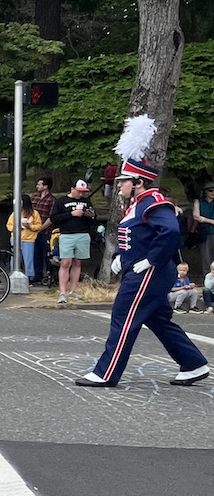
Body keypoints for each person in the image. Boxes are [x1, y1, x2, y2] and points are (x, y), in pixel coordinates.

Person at [76, 115, 209, 387]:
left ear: (138, 182)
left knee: (123, 318)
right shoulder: (138, 204)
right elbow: (136, 238)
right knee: (158, 320)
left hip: (149, 272)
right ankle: (194, 363)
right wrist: (118, 258)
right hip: (141, 269)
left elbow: (170, 233)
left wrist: (151, 259)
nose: (119, 186)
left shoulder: (154, 202)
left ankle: (106, 373)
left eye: (123, 181)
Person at [50, 179, 96, 304]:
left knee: (78, 262)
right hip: (67, 234)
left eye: (83, 192)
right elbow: (54, 218)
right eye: (79, 192)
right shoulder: (62, 201)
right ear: (72, 189)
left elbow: (92, 219)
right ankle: (62, 292)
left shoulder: (86, 201)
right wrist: (71, 214)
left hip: (82, 233)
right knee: (65, 262)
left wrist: (91, 216)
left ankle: (73, 289)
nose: (81, 195)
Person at [6, 195, 43, 281]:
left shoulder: (34, 213)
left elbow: (39, 226)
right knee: (14, 258)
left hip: (29, 239)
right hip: (16, 239)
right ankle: (13, 275)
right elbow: (9, 225)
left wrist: (30, 226)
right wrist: (16, 228)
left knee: (28, 259)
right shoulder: (15, 213)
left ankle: (29, 276)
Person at [31, 177, 57, 283]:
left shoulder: (52, 200)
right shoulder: (35, 198)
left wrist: (40, 227)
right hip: (33, 231)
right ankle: (38, 275)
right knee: (36, 254)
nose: (37, 186)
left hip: (46, 231)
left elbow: (51, 217)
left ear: (46, 186)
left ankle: (50, 275)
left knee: (47, 254)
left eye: (39, 184)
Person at [191, 183, 214, 273]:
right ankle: (207, 279)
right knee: (206, 256)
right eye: (210, 190)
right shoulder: (198, 201)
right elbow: (196, 216)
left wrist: (203, 219)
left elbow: (200, 217)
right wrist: (211, 221)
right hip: (204, 232)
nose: (213, 192)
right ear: (205, 192)